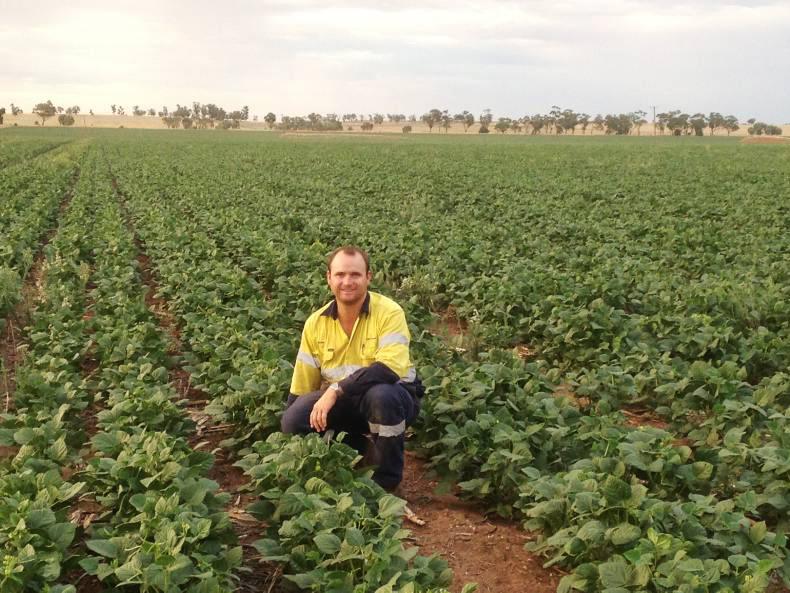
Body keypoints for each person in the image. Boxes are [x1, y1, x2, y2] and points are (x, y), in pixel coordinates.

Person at [281, 245, 422, 490]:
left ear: (368, 277)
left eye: (355, 275)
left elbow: (388, 369)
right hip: (347, 404)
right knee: (294, 419)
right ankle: (358, 451)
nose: (347, 281)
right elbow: (302, 383)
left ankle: (386, 483)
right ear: (329, 278)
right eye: (340, 275)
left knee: (381, 395)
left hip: (394, 399)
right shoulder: (316, 323)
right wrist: (292, 424)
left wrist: (335, 390)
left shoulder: (389, 313)